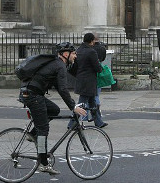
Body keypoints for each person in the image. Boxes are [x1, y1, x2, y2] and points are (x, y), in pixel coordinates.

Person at [19, 42, 86, 176]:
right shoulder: (59, 65)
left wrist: (71, 104)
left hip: (30, 93)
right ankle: (43, 163)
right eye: (74, 53)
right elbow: (62, 89)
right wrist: (73, 107)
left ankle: (32, 134)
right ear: (66, 54)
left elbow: (60, 88)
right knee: (43, 130)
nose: (75, 56)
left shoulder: (56, 64)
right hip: (33, 96)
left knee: (54, 110)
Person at [70, 33, 108, 128]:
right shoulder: (91, 52)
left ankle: (99, 122)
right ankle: (71, 123)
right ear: (91, 41)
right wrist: (101, 68)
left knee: (92, 103)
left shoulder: (79, 50)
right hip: (89, 81)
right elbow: (97, 67)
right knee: (81, 103)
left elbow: (75, 66)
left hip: (81, 79)